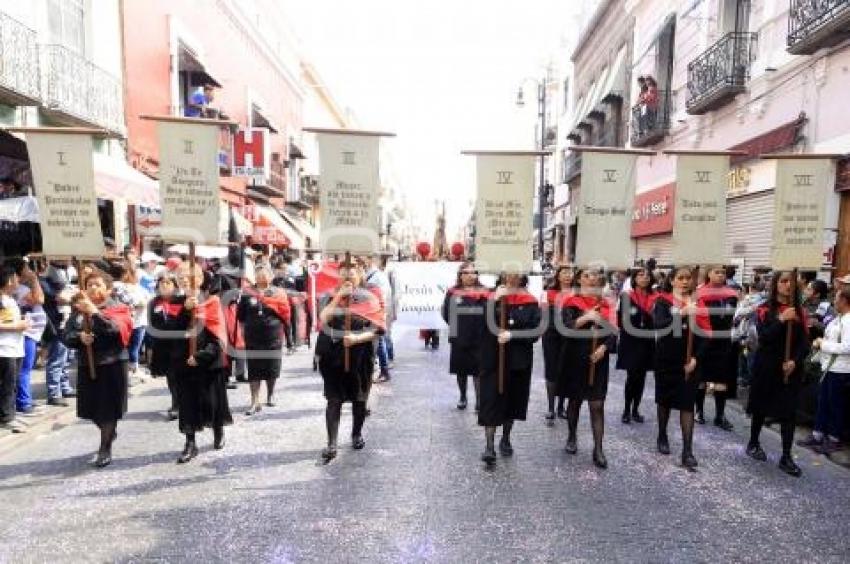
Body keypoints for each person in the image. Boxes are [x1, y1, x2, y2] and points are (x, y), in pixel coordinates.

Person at [315, 262, 385, 461]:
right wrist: (338, 296)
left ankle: (356, 434)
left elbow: (377, 328)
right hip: (332, 355)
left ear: (359, 275)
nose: (347, 277)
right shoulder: (329, 296)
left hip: (360, 355)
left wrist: (356, 338)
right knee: (333, 399)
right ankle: (332, 443)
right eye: (343, 274)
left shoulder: (369, 298)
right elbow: (323, 318)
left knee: (359, 398)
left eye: (351, 274)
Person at [63, 270, 133, 468]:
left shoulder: (119, 308)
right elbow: (66, 335)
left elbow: (115, 331)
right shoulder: (78, 311)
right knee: (91, 409)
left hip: (112, 363)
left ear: (108, 289)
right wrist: (79, 338)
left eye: (98, 284)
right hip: (88, 364)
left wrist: (95, 312)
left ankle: (105, 447)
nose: (93, 288)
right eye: (89, 284)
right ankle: (108, 431)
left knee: (108, 410)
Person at [746, 270, 809, 477]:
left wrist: (794, 361)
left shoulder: (801, 312)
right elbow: (763, 338)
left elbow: (804, 344)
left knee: (788, 412)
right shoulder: (764, 309)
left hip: (790, 368)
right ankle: (753, 442)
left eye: (791, 282)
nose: (788, 285)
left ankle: (786, 456)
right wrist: (781, 319)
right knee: (760, 407)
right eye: (783, 281)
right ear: (775, 285)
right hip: (767, 366)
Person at [170, 263, 232, 463]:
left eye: (189, 277)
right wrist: (184, 311)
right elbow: (169, 332)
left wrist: (201, 356)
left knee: (212, 401)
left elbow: (219, 337)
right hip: (183, 362)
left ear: (199, 278)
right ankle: (190, 442)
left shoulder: (211, 301)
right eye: (181, 277)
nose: (185, 281)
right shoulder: (174, 302)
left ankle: (218, 429)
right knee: (187, 404)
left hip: (208, 361)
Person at [478, 273, 541, 464]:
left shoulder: (530, 301)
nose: (512, 278)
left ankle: (505, 438)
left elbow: (536, 331)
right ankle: (489, 446)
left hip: (517, 359)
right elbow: (477, 324)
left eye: (516, 274)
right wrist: (494, 300)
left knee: (511, 400)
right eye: (508, 274)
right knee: (490, 399)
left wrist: (513, 335)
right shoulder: (489, 296)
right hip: (492, 357)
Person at [559, 268, 617, 468]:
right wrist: (586, 318)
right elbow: (565, 328)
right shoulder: (570, 302)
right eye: (586, 275)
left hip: (598, 359)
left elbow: (613, 331)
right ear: (579, 280)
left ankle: (598, 448)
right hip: (575, 357)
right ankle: (572, 436)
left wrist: (604, 347)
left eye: (594, 276)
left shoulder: (606, 304)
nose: (591, 279)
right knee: (575, 401)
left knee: (597, 405)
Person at [652, 266, 700, 469]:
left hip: (690, 362)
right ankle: (662, 434)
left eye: (688, 278)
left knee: (688, 405)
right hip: (666, 359)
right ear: (672, 280)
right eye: (680, 278)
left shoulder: (698, 303)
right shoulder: (663, 302)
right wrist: (681, 313)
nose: (684, 282)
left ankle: (687, 450)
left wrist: (696, 358)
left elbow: (706, 333)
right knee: (664, 401)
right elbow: (660, 325)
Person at [799, 287, 850, 454]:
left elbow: (847, 347)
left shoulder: (848, 321)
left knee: (835, 404)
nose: (834, 301)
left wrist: (823, 344)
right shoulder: (838, 319)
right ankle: (818, 434)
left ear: (844, 300)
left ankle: (834, 438)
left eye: (836, 298)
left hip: (841, 370)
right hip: (828, 367)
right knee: (823, 402)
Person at [238, 265, 291, 415]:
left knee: (271, 366)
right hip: (253, 336)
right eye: (258, 274)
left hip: (273, 336)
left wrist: (288, 337)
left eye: (264, 274)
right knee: (254, 368)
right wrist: (243, 332)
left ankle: (270, 393)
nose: (261, 277)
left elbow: (286, 315)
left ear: (271, 276)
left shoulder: (278, 293)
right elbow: (241, 316)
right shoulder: (248, 292)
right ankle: (254, 400)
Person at [693, 265, 739, 431]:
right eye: (717, 272)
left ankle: (720, 415)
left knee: (721, 379)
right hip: (705, 339)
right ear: (708, 274)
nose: (721, 275)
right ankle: (699, 411)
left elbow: (730, 315)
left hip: (723, 339)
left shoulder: (731, 294)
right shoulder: (700, 293)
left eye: (723, 273)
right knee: (701, 378)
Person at [441, 262, 487, 411]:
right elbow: (446, 313)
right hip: (459, 337)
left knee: (478, 370)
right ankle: (462, 396)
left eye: (473, 272)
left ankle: (479, 401)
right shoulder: (452, 292)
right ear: (460, 276)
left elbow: (489, 313)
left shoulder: (484, 292)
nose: (470, 276)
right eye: (466, 273)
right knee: (461, 370)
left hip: (479, 337)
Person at [617, 266, 656, 424]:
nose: (645, 278)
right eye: (641, 275)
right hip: (631, 341)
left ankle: (635, 410)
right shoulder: (627, 296)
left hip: (647, 340)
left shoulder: (655, 297)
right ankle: (626, 409)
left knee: (642, 377)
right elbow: (620, 318)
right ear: (634, 278)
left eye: (647, 275)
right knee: (632, 376)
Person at [39, 261, 76, 406]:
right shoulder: (45, 282)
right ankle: (54, 393)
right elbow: (62, 298)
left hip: (68, 323)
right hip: (56, 324)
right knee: (57, 359)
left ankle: (65, 387)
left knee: (67, 358)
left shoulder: (66, 279)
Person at [13, 260, 46, 415]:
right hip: (26, 332)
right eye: (26, 268)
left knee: (25, 368)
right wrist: (34, 279)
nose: (30, 270)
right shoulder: (21, 289)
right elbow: (39, 299)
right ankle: (23, 402)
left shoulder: (21, 288)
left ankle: (24, 399)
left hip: (31, 332)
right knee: (24, 369)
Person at [542, 265, 574, 421]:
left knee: (566, 369)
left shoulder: (577, 294)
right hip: (551, 335)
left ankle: (562, 405)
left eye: (570, 273)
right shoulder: (549, 293)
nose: (568, 276)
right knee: (551, 370)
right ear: (558, 276)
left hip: (570, 336)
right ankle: (550, 406)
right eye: (564, 273)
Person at [147, 274, 181, 420]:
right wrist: (150, 347)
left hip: (179, 343)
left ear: (175, 286)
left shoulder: (181, 301)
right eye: (162, 283)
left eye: (168, 283)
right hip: (162, 344)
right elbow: (151, 325)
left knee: (179, 375)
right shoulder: (154, 303)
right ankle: (175, 402)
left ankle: (180, 403)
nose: (165, 285)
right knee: (170, 376)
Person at [0, 265, 28, 433]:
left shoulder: (10, 299)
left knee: (13, 383)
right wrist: (17, 326)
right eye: (16, 277)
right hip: (4, 349)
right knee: (7, 385)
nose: (18, 280)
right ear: (9, 279)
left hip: (16, 347)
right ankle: (7, 417)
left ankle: (10, 413)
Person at [115, 263, 151, 376]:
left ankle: (130, 369)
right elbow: (140, 302)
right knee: (133, 347)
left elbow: (147, 301)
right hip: (133, 321)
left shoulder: (135, 287)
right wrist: (141, 303)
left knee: (129, 347)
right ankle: (132, 370)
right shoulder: (120, 286)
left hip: (134, 321)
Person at [365, 253, 393, 382]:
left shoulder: (376, 277)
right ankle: (382, 369)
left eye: (365, 259)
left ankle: (384, 370)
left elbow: (381, 297)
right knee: (379, 341)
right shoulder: (376, 275)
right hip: (375, 312)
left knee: (380, 341)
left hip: (376, 313)